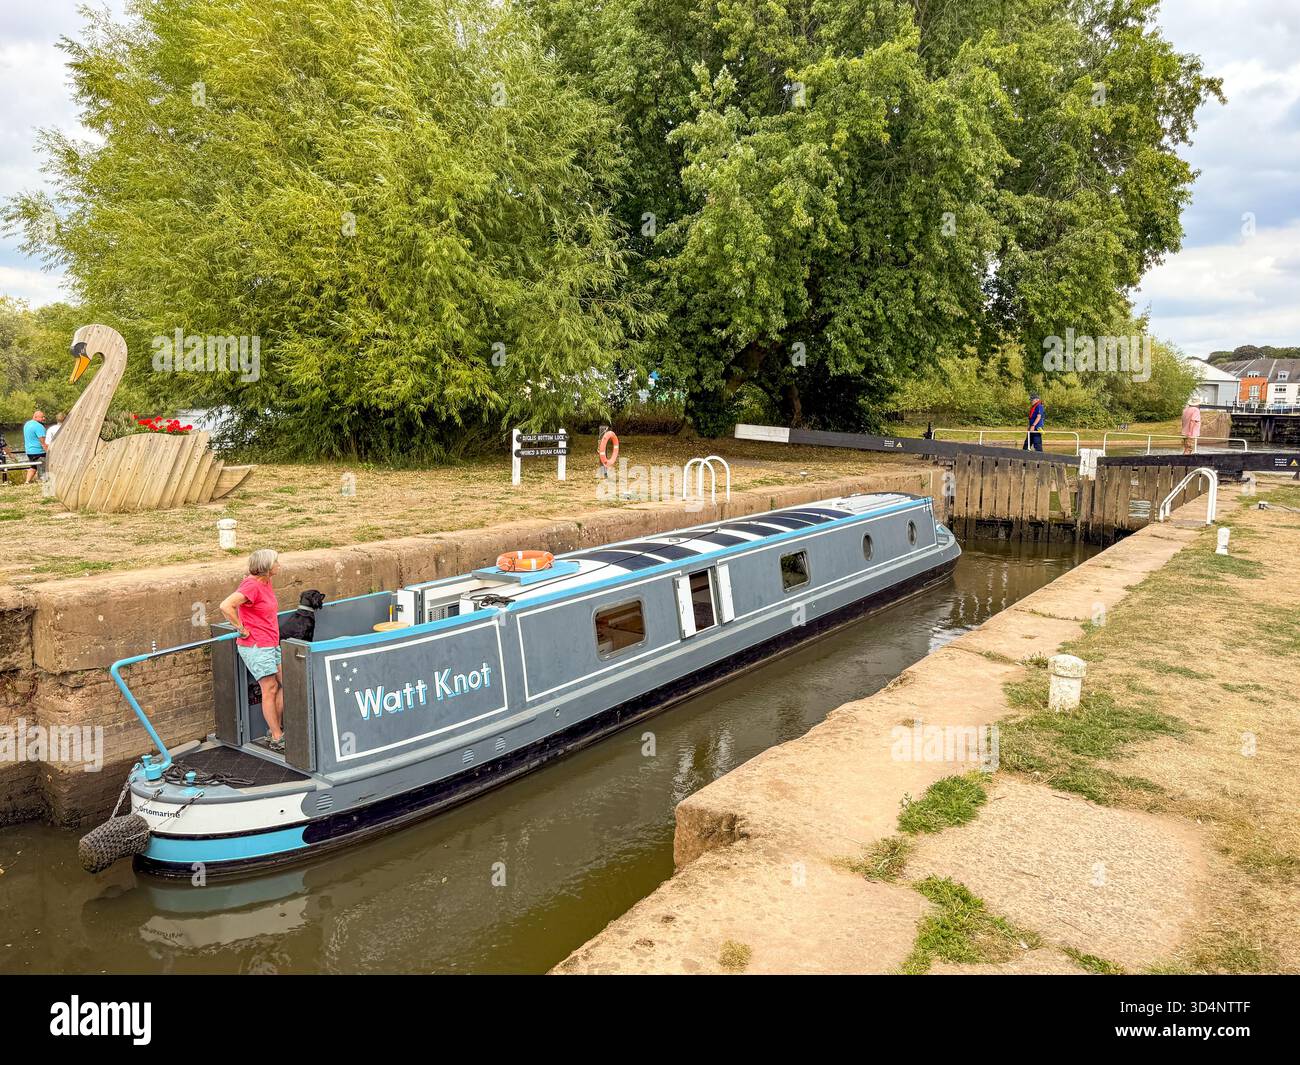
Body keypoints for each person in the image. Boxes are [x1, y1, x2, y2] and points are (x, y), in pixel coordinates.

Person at [220, 548, 285, 751]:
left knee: (288, 685)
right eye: (276, 562)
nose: (279, 565)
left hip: (271, 642)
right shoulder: (252, 586)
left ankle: (276, 729)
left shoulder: (265, 582)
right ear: (266, 568)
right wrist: (240, 628)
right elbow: (226, 606)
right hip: (256, 645)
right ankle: (277, 736)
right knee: (270, 688)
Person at [22, 411, 47, 483]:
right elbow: (43, 442)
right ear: (35, 417)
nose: (44, 418)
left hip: (29, 451)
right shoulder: (39, 426)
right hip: (39, 451)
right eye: (42, 417)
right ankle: (43, 481)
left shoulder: (27, 424)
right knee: (43, 467)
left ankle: (27, 482)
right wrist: (47, 451)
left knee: (33, 467)